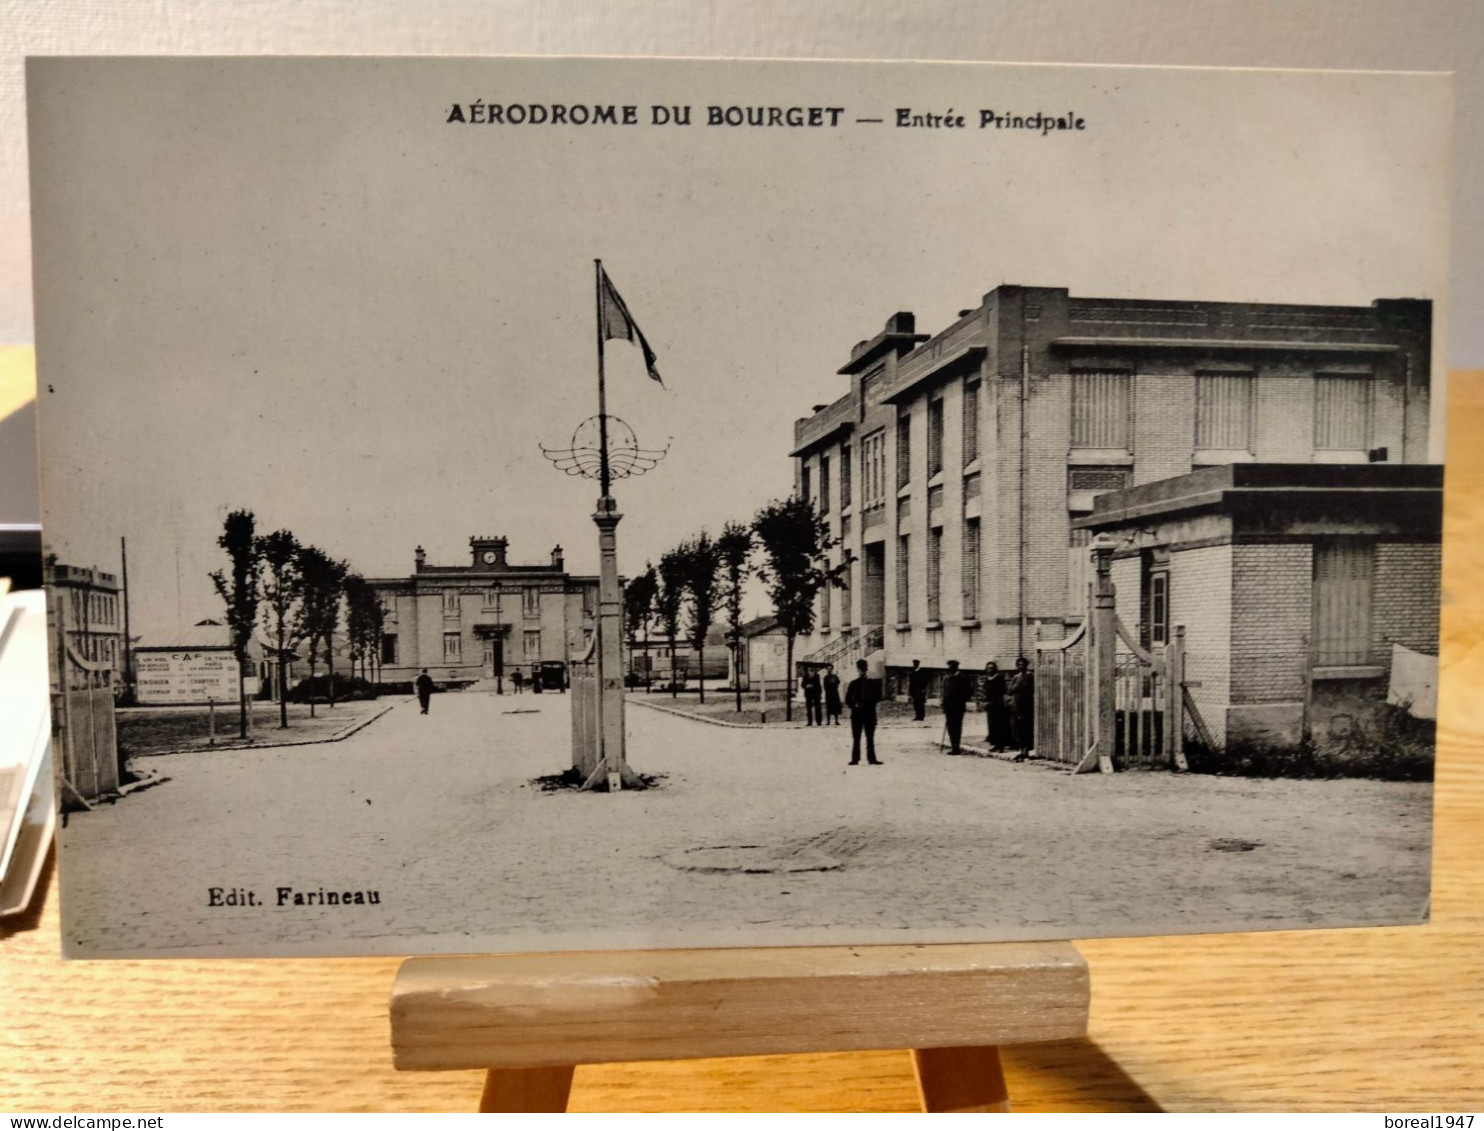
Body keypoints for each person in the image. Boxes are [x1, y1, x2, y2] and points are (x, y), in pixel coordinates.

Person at [844, 658, 883, 766]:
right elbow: (847, 699)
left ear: (866, 670)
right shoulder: (853, 684)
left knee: (870, 738)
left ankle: (871, 759)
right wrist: (854, 705)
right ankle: (855, 759)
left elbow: (878, 697)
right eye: (861, 669)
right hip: (857, 714)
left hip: (869, 713)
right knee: (856, 738)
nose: (862, 671)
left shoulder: (872, 683)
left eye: (863, 669)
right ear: (858, 670)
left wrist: (869, 703)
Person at [940, 659, 972, 755]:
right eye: (949, 667)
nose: (949, 669)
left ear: (956, 667)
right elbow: (944, 692)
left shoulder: (962, 678)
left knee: (956, 727)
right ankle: (953, 747)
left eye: (951, 667)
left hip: (958, 707)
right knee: (950, 727)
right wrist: (943, 704)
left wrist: (961, 700)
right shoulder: (947, 678)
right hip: (948, 707)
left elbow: (969, 691)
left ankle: (956, 747)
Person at [1007, 656, 1035, 762]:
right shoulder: (1016, 677)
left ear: (1026, 665)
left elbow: (1031, 690)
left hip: (1026, 706)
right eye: (1019, 664)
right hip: (1016, 706)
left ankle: (1026, 750)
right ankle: (1021, 749)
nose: (1020, 666)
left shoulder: (1030, 676)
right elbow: (1010, 690)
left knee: (1026, 729)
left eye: (1022, 664)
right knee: (1018, 729)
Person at [982, 661, 1011, 752]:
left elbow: (1002, 692)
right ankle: (994, 744)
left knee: (1000, 725)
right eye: (988, 668)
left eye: (991, 668)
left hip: (998, 705)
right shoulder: (987, 679)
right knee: (992, 725)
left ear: (995, 669)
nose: (990, 670)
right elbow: (985, 693)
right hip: (989, 706)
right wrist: (985, 701)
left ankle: (1001, 745)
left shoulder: (999, 678)